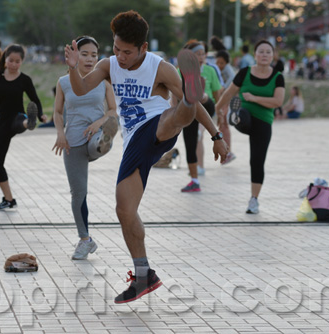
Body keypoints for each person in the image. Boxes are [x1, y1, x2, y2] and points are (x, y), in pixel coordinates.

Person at [64, 10, 228, 303]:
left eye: (127, 52)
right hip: (135, 143)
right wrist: (74, 68)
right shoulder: (108, 65)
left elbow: (201, 113)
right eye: (116, 49)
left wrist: (217, 137)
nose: (121, 56)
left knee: (173, 118)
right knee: (124, 210)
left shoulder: (159, 68)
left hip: (156, 124)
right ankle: (144, 276)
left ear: (143, 48)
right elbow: (81, 89)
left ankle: (189, 96)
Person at [52, 36, 118, 260]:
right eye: (85, 54)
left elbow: (112, 110)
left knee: (97, 142)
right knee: (78, 193)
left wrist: (99, 123)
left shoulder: (104, 81)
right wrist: (60, 133)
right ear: (74, 55)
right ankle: (85, 240)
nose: (90, 59)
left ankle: (104, 140)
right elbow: (58, 112)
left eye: (94, 55)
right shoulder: (63, 82)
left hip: (96, 134)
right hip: (72, 142)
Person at [0, 44, 45, 210]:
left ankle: (29, 122)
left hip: (17, 116)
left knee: (20, 122)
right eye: (11, 60)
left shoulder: (25, 80)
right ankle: (9, 199)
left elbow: (36, 99)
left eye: (17, 62)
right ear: (6, 59)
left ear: (21, 62)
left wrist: (40, 115)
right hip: (2, 121)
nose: (13, 64)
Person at [215, 40, 285, 214]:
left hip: (264, 122)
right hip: (245, 118)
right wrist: (218, 109)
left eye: (268, 52)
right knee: (243, 116)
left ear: (272, 55)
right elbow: (229, 92)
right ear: (255, 55)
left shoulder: (277, 77)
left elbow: (278, 101)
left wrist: (254, 98)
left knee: (256, 161)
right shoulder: (245, 73)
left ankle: (254, 200)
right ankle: (235, 116)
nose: (264, 55)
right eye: (261, 52)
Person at [176, 40, 221, 192]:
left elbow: (217, 94)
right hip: (188, 110)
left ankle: (199, 95)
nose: (201, 57)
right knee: (190, 143)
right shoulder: (179, 71)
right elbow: (174, 96)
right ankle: (194, 181)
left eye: (203, 54)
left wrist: (220, 111)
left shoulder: (210, 71)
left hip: (207, 107)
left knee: (203, 98)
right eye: (197, 54)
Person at [215, 50, 237, 165]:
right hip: (222, 98)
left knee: (224, 124)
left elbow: (232, 78)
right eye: (217, 62)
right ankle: (226, 152)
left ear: (226, 63)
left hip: (226, 98)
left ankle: (228, 152)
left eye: (222, 63)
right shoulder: (220, 69)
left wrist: (223, 87)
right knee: (222, 125)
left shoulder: (228, 69)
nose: (219, 65)